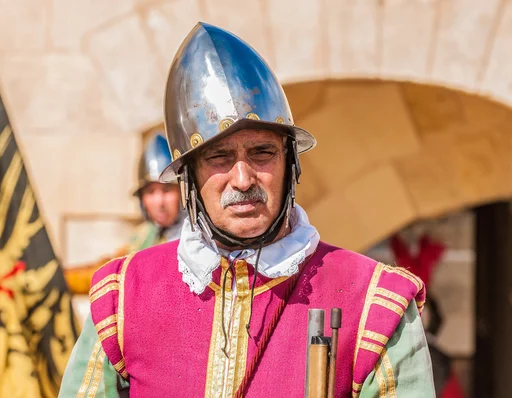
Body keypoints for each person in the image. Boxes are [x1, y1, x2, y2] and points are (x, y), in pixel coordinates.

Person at [59, 22, 435, 397]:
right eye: (219, 157)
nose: (242, 179)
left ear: (290, 164)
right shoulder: (124, 298)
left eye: (261, 152)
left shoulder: (375, 305)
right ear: (190, 176)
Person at [63, 133, 184, 294]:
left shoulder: (197, 234)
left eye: (167, 190)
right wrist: (58, 278)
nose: (160, 202)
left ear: (182, 191)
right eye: (151, 192)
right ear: (142, 199)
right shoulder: (142, 237)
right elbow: (108, 274)